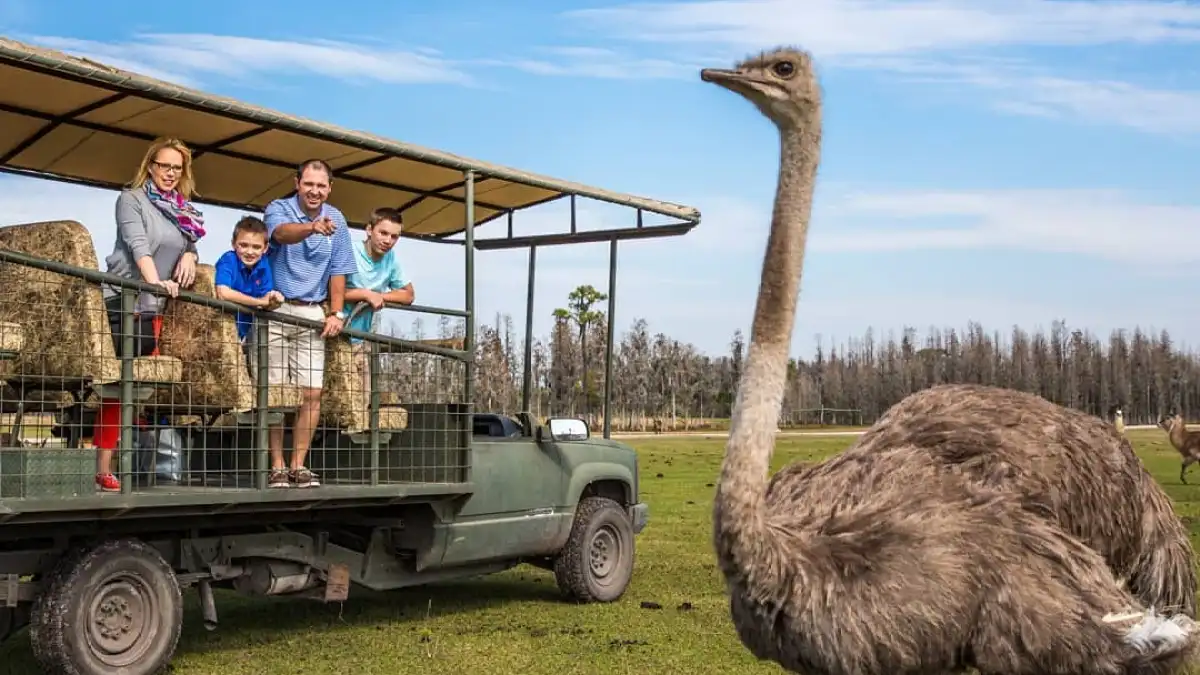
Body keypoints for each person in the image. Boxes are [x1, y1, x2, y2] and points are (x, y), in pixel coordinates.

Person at [93, 137, 204, 493]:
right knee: (120, 386)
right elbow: (139, 247)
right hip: (125, 303)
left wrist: (191, 255)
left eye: (177, 167)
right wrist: (157, 284)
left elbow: (187, 243)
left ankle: (139, 465)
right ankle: (103, 468)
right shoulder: (132, 199)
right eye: (164, 166)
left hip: (153, 308)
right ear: (150, 166)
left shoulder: (181, 210)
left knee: (141, 389)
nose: (170, 173)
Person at [261, 158, 357, 489]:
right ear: (297, 183)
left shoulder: (339, 220)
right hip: (276, 308)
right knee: (276, 394)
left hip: (314, 312)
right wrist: (312, 228)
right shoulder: (279, 208)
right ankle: (276, 466)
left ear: (330, 188)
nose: (314, 191)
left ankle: (298, 465)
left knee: (311, 393)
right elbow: (280, 235)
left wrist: (337, 312)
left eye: (321, 185)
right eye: (308, 184)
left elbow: (340, 269)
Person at [344, 207, 415, 397]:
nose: (388, 241)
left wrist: (380, 296)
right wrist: (365, 294)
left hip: (360, 339)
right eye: (383, 233)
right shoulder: (350, 251)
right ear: (369, 230)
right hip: (336, 334)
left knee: (363, 400)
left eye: (394, 237)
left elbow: (408, 295)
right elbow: (331, 291)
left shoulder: (390, 259)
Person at [213, 216, 284, 376]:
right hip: (223, 334)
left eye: (256, 247)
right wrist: (259, 301)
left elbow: (266, 299)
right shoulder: (228, 260)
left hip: (248, 335)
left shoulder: (263, 265)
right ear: (233, 244)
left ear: (265, 249)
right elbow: (223, 292)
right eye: (243, 245)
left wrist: (275, 300)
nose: (250, 252)